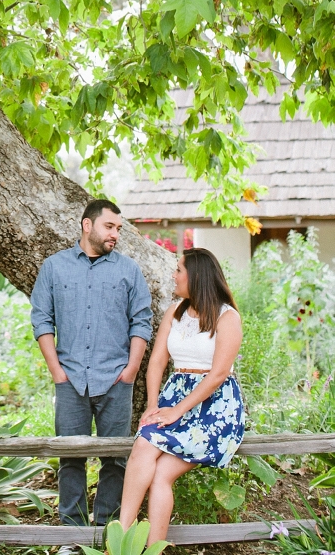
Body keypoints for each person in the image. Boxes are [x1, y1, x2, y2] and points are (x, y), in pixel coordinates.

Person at [30, 199, 153, 529]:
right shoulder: (54, 268)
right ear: (88, 225)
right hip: (70, 380)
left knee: (115, 459)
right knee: (70, 458)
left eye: (118, 229)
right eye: (109, 227)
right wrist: (57, 372)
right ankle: (72, 533)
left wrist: (130, 372)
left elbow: (142, 322)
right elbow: (42, 320)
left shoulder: (128, 271)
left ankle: (106, 532)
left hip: (116, 381)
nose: (115, 234)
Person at [119, 247, 245, 545]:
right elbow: (157, 362)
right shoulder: (175, 312)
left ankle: (151, 550)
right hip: (173, 397)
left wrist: (176, 411)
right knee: (143, 448)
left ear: (197, 276)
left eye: (179, 270)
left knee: (162, 473)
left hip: (214, 406)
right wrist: (153, 405)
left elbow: (217, 375)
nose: (173, 276)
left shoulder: (228, 317)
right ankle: (120, 541)